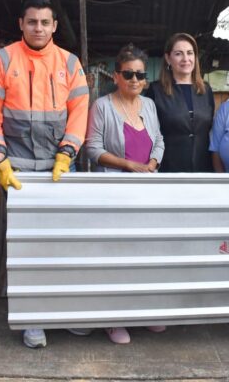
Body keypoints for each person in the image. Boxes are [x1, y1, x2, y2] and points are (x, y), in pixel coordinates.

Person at [0, 0, 89, 348]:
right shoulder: (3, 60)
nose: (38, 28)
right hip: (19, 170)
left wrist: (67, 153)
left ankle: (65, 312)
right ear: (21, 24)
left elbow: (80, 113)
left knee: (65, 244)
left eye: (45, 22)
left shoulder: (70, 63)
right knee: (25, 246)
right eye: (32, 22)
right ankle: (33, 320)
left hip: (60, 168)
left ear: (54, 26)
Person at [84, 43, 166, 344]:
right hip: (114, 192)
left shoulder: (149, 105)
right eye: (128, 74)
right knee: (116, 255)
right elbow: (92, 149)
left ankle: (143, 313)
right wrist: (128, 164)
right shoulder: (102, 106)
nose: (134, 80)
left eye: (140, 75)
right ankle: (112, 317)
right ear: (116, 76)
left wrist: (152, 164)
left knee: (146, 255)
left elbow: (159, 140)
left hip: (146, 191)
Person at [145, 33, 214, 172]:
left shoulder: (206, 90)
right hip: (168, 168)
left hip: (203, 168)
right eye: (178, 54)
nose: (185, 59)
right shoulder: (156, 90)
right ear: (168, 58)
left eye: (190, 53)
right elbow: (148, 133)